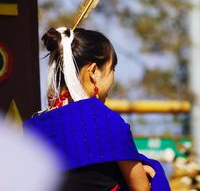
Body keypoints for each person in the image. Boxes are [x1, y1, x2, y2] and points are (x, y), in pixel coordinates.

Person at [24, 27, 171, 191]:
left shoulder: (33, 128)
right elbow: (141, 188)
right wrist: (149, 173)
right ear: (93, 72)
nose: (113, 79)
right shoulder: (103, 119)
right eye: (112, 69)